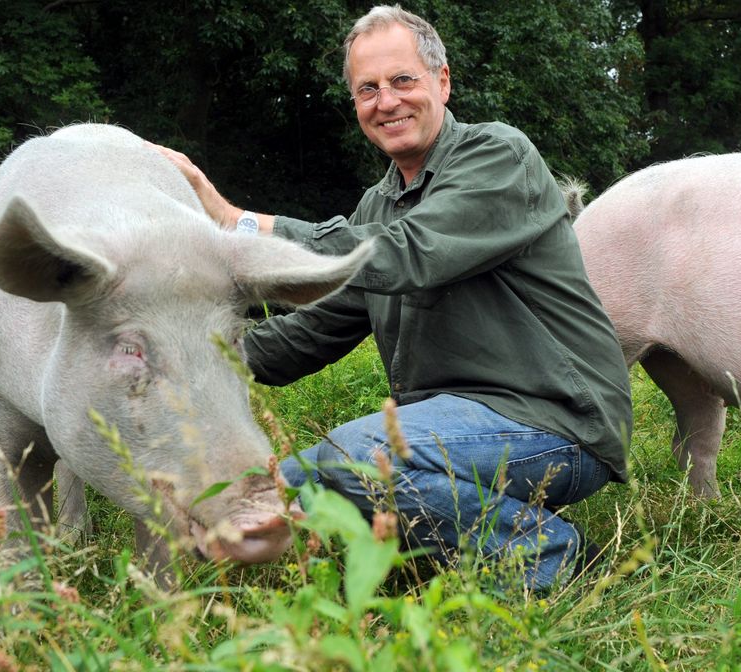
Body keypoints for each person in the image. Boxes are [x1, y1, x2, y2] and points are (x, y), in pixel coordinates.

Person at [156, 4, 632, 591]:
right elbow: (317, 327)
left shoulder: (499, 157)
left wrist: (238, 226)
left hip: (555, 421)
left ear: (443, 81)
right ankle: (445, 550)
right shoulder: (376, 207)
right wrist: (191, 362)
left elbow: (410, 252)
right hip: (450, 429)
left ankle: (544, 553)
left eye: (403, 80)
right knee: (279, 487)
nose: (387, 101)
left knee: (350, 458)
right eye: (368, 89)